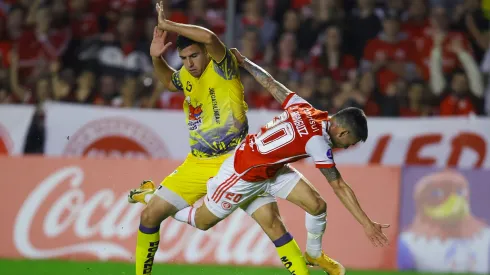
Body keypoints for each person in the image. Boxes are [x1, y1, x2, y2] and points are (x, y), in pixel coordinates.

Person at [131, 2, 344, 275]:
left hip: (240, 159)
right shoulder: (186, 74)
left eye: (194, 56)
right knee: (150, 216)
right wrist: (155, 59)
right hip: (199, 163)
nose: (190, 64)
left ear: (207, 53)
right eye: (184, 59)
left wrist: (167, 24)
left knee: (273, 223)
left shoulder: (223, 67)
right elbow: (168, 83)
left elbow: (209, 37)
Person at [170, 49, 390, 271]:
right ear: (342, 132)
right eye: (350, 142)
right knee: (202, 221)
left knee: (317, 205)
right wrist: (366, 224)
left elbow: (272, 84)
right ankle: (156, 201)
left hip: (273, 170)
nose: (347, 147)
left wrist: (245, 62)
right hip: (242, 174)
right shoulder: (319, 142)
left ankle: (314, 255)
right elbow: (339, 186)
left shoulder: (306, 108)